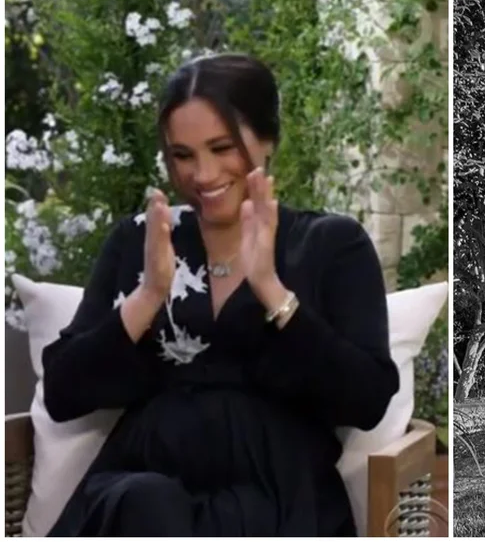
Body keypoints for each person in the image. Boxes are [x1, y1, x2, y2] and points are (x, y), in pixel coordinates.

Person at [42, 53, 399, 536]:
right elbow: (63, 391)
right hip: (146, 481)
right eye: (182, 155)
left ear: (268, 139)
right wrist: (149, 294)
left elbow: (367, 398)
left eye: (222, 147)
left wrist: (272, 291)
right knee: (147, 504)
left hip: (277, 492)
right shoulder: (141, 241)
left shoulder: (331, 244)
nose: (203, 174)